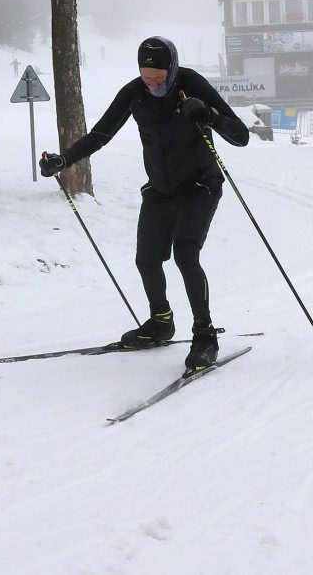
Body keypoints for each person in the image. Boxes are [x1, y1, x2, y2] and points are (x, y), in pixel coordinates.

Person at [39, 36, 249, 375]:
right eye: (146, 74)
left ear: (173, 68)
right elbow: (101, 134)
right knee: (147, 258)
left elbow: (241, 136)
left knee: (185, 254)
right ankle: (161, 322)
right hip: (160, 187)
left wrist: (208, 114)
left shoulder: (191, 85)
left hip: (200, 185)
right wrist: (65, 160)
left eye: (159, 76)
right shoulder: (134, 92)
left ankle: (205, 335)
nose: (153, 82)